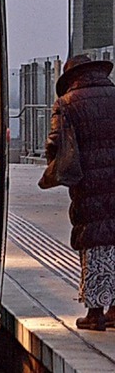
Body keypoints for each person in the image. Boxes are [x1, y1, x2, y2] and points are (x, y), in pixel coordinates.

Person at [44, 54, 115, 331]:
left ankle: (95, 312)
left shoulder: (66, 104)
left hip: (89, 183)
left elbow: (55, 144)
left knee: (94, 240)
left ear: (71, 78)